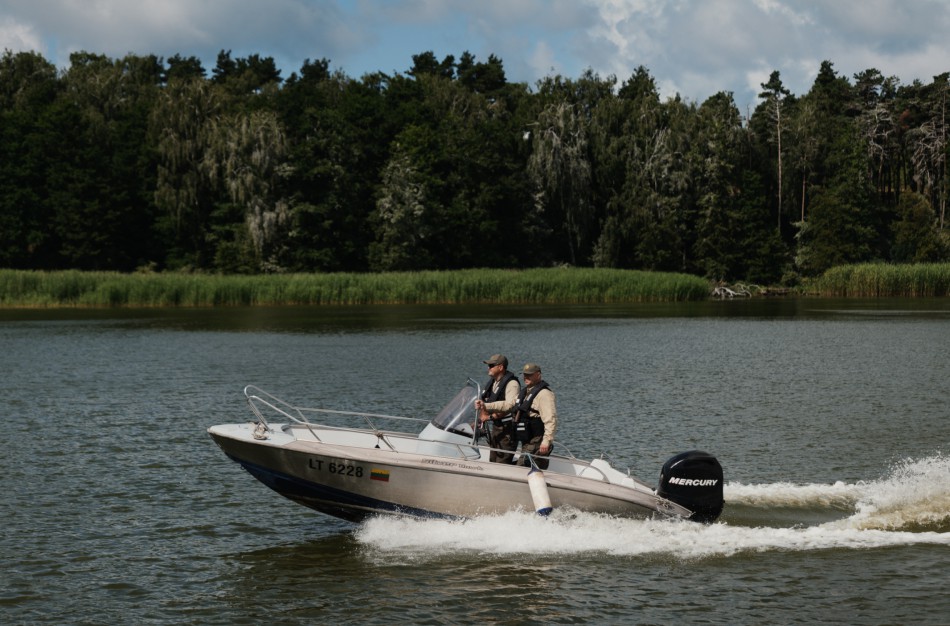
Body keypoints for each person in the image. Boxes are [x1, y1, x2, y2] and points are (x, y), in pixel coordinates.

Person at [474, 354, 521, 463]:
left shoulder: (512, 384)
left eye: (491, 365)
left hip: (508, 430)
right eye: (488, 365)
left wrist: (486, 407)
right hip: (496, 428)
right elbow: (485, 401)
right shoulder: (493, 382)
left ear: (500, 367)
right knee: (493, 461)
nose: (488, 368)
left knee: (502, 463)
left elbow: (510, 405)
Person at [512, 363, 557, 470]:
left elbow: (551, 420)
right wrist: (486, 406)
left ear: (538, 375)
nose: (526, 377)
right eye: (524, 375)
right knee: (527, 467)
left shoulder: (544, 394)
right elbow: (509, 404)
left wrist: (546, 442)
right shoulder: (526, 392)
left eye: (529, 375)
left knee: (521, 468)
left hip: (537, 441)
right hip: (527, 440)